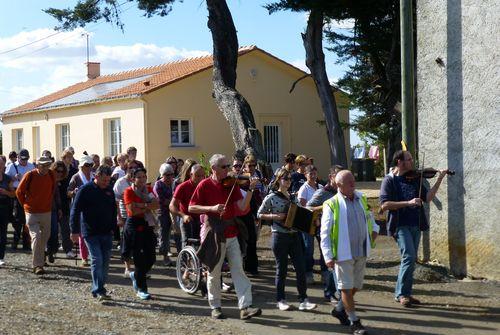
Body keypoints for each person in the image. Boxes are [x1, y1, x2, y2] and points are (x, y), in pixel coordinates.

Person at [189, 154, 262, 320]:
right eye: (224, 166)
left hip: (231, 232)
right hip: (214, 232)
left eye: (228, 165)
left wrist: (250, 189)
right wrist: (212, 208)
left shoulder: (232, 184)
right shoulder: (204, 185)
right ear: (214, 168)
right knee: (214, 273)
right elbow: (192, 207)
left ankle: (245, 306)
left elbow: (243, 206)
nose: (229, 169)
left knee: (238, 270)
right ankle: (215, 306)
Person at [379, 150, 447, 307]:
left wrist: (439, 179)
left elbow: (427, 198)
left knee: (411, 259)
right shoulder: (389, 181)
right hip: (400, 225)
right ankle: (402, 294)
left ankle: (405, 293)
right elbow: (385, 205)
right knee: (408, 257)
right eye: (409, 159)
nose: (412, 162)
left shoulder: (415, 179)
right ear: (399, 162)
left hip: (416, 223)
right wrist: (408, 203)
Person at [321, 170, 379, 335]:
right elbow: (324, 232)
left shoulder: (361, 197)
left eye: (354, 181)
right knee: (346, 288)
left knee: (356, 286)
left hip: (361, 251)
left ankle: (339, 309)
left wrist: (374, 230)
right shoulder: (331, 204)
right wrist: (327, 256)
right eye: (349, 183)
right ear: (339, 185)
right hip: (342, 254)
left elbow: (370, 218)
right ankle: (354, 321)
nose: (353, 185)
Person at [257, 168, 317, 312]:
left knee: (301, 268)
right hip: (279, 236)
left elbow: (300, 211)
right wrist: (275, 217)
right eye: (285, 179)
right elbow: (259, 214)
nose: (289, 181)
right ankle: (281, 300)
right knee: (281, 269)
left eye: (290, 179)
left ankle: (304, 299)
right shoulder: (271, 197)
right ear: (278, 180)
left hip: (294, 236)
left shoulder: (292, 196)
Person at [70, 165, 117, 301]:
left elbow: (113, 210)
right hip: (90, 232)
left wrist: (114, 229)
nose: (106, 183)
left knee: (106, 261)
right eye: (104, 180)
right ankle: (99, 290)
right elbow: (75, 211)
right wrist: (74, 231)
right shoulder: (85, 190)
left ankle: (100, 286)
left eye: (108, 180)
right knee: (97, 259)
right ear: (96, 176)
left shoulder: (109, 190)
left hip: (106, 232)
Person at [307, 165, 344, 302]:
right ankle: (330, 293)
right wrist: (326, 206)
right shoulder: (322, 192)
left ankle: (336, 292)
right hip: (325, 230)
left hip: (341, 230)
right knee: (329, 261)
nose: (341, 179)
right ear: (331, 177)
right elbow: (308, 208)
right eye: (338, 175)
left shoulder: (343, 191)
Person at [123, 168, 159, 300]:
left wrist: (141, 205)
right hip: (134, 225)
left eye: (144, 176)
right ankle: (141, 289)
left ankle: (136, 276)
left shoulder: (148, 190)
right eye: (139, 177)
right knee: (139, 258)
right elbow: (132, 210)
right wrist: (146, 205)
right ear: (133, 179)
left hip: (147, 224)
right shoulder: (129, 191)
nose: (143, 179)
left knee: (151, 258)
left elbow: (156, 204)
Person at [16, 156, 56, 275]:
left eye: (47, 165)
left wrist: (48, 201)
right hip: (31, 212)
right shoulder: (30, 175)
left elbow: (52, 189)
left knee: (45, 236)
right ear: (38, 165)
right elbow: (19, 192)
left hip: (46, 211)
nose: (45, 168)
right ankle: (38, 265)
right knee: (36, 237)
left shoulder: (51, 175)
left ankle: (39, 257)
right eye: (43, 165)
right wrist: (25, 205)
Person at [113, 159, 139, 277]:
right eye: (130, 168)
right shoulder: (120, 182)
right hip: (124, 216)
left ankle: (139, 269)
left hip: (138, 215)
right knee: (126, 243)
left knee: (138, 243)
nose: (133, 170)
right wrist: (118, 217)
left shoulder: (140, 181)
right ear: (126, 169)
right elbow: (116, 202)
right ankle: (127, 268)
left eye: (135, 168)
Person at [68, 155, 95, 266]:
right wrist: (74, 192)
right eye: (86, 165)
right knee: (82, 234)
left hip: (94, 208)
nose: (89, 167)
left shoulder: (94, 177)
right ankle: (84, 257)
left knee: (93, 233)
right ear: (81, 166)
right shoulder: (76, 177)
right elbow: (68, 192)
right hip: (80, 209)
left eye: (90, 165)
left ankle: (93, 254)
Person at [298, 165, 323, 284]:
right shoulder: (304, 189)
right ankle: (308, 273)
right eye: (310, 174)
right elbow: (303, 207)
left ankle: (325, 273)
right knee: (309, 249)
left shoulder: (321, 187)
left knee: (324, 247)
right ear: (305, 175)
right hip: (308, 222)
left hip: (321, 222)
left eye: (314, 173)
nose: (313, 176)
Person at [170, 164, 205, 248]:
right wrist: (183, 215)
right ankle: (184, 260)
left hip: (202, 219)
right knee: (187, 244)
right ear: (191, 174)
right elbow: (172, 205)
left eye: (202, 176)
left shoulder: (205, 186)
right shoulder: (182, 187)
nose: (200, 178)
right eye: (197, 176)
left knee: (203, 244)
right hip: (188, 220)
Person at [6, 148, 35, 250]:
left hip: (28, 194)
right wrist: (13, 178)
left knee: (27, 220)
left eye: (26, 159)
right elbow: (5, 180)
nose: (24, 161)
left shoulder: (31, 166)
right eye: (22, 159)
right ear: (18, 157)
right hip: (16, 193)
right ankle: (15, 241)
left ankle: (26, 243)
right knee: (18, 219)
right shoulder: (11, 167)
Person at [46, 161, 68, 264]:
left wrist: (59, 208)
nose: (59, 173)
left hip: (56, 209)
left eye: (61, 171)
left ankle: (51, 251)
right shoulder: (48, 178)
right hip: (44, 209)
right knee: (45, 233)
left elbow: (57, 196)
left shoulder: (63, 180)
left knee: (55, 232)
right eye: (57, 170)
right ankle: (43, 254)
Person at [153, 163, 175, 265]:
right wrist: (173, 201)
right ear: (162, 175)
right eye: (167, 174)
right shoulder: (158, 184)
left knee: (176, 234)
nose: (169, 176)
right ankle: (165, 256)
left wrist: (172, 201)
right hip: (163, 212)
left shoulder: (174, 183)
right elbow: (161, 200)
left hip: (174, 212)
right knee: (164, 234)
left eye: (171, 174)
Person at [60, 149, 79, 258]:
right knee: (64, 226)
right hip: (62, 200)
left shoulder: (74, 170)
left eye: (71, 157)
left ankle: (69, 247)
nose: (70, 159)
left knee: (70, 225)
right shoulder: (59, 169)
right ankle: (67, 248)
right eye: (68, 157)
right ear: (63, 158)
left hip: (72, 200)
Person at [0, 159, 16, 266]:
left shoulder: (7, 178)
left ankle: (1, 257)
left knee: (2, 233)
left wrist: (5, 192)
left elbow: (13, 194)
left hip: (4, 207)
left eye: (1, 164)